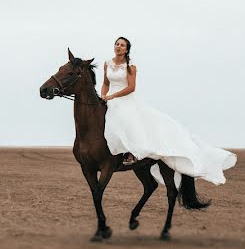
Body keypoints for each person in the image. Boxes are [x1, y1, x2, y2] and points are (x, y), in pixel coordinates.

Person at [101, 36, 236, 185]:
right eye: (116, 44)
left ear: (126, 49)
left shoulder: (131, 65)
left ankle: (131, 152)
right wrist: (103, 95)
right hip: (110, 98)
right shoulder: (107, 63)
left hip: (125, 99)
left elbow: (131, 87)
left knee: (124, 118)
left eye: (122, 45)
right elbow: (106, 83)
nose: (118, 46)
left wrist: (113, 96)